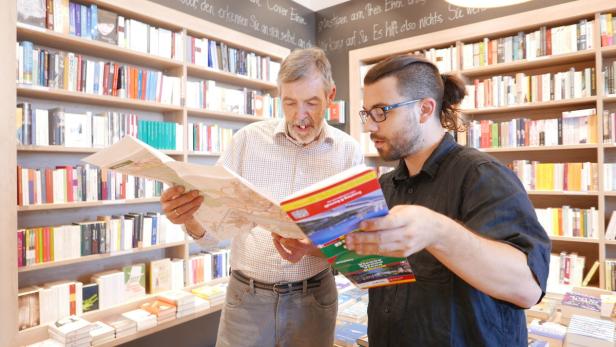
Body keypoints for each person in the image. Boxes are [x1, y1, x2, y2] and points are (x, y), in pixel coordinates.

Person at [159, 47, 363, 347]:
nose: (300, 116)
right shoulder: (247, 141)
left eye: (311, 103)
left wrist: (312, 247)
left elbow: (357, 242)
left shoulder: (348, 153)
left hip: (314, 299)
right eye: (289, 102)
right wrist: (188, 216)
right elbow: (210, 233)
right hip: (247, 300)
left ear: (331, 96)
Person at [344, 54, 551, 346]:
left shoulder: (482, 176)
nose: (370, 127)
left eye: (381, 111)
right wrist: (325, 245)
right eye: (367, 114)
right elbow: (376, 271)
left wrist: (437, 231)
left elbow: (527, 288)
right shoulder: (385, 185)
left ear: (425, 109)